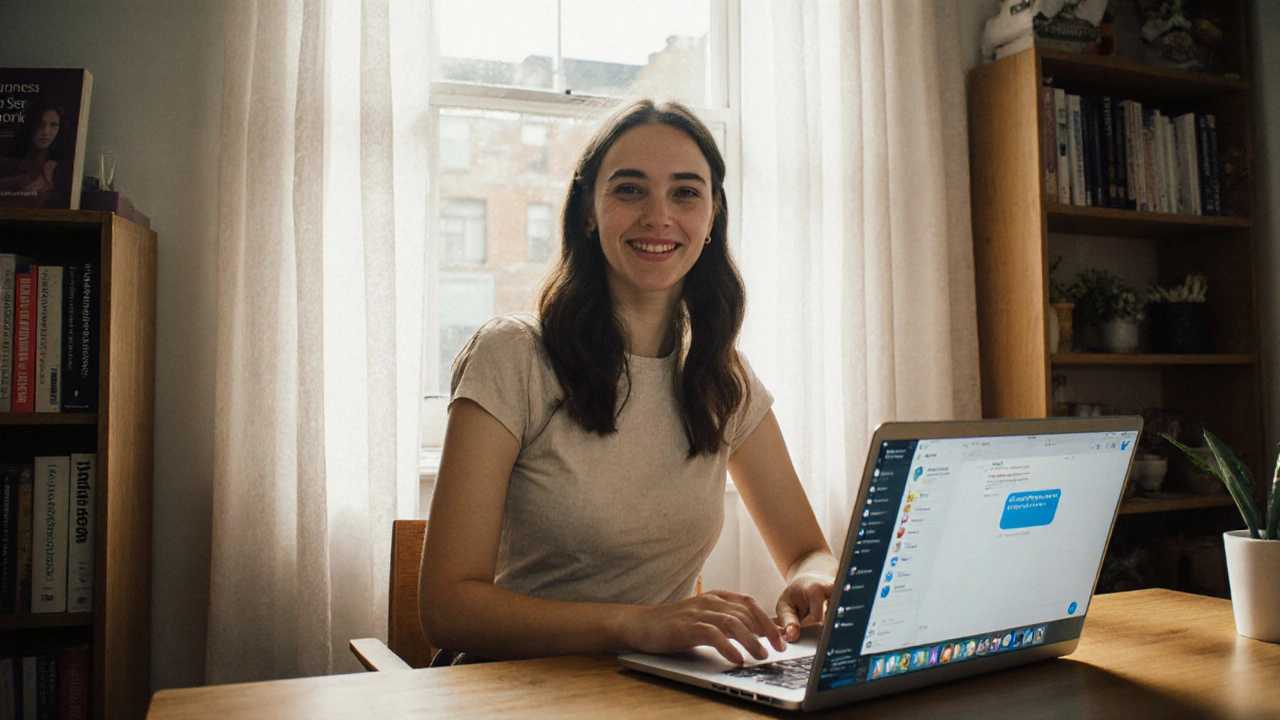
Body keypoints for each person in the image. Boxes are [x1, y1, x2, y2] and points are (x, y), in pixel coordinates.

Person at [419, 99, 836, 666]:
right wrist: (636, 625)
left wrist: (815, 580)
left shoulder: (722, 377)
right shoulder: (511, 355)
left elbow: (809, 550)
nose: (658, 216)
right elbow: (447, 608)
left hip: (651, 693)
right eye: (630, 189)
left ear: (712, 217)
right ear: (588, 211)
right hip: (508, 691)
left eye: (686, 192)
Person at [0, 99, 69, 208]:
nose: (46, 132)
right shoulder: (8, 163)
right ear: (30, 125)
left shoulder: (56, 169)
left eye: (53, 125)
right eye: (40, 124)